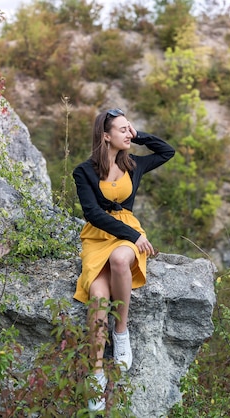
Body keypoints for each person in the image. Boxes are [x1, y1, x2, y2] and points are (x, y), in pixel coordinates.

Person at [72, 108, 175, 412]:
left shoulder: (134, 163)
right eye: (122, 130)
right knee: (99, 299)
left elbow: (167, 151)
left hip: (128, 236)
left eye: (129, 129)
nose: (128, 134)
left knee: (120, 260)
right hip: (97, 236)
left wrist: (137, 133)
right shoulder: (84, 171)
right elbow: (93, 213)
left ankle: (122, 333)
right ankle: (96, 372)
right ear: (105, 136)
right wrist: (130, 235)